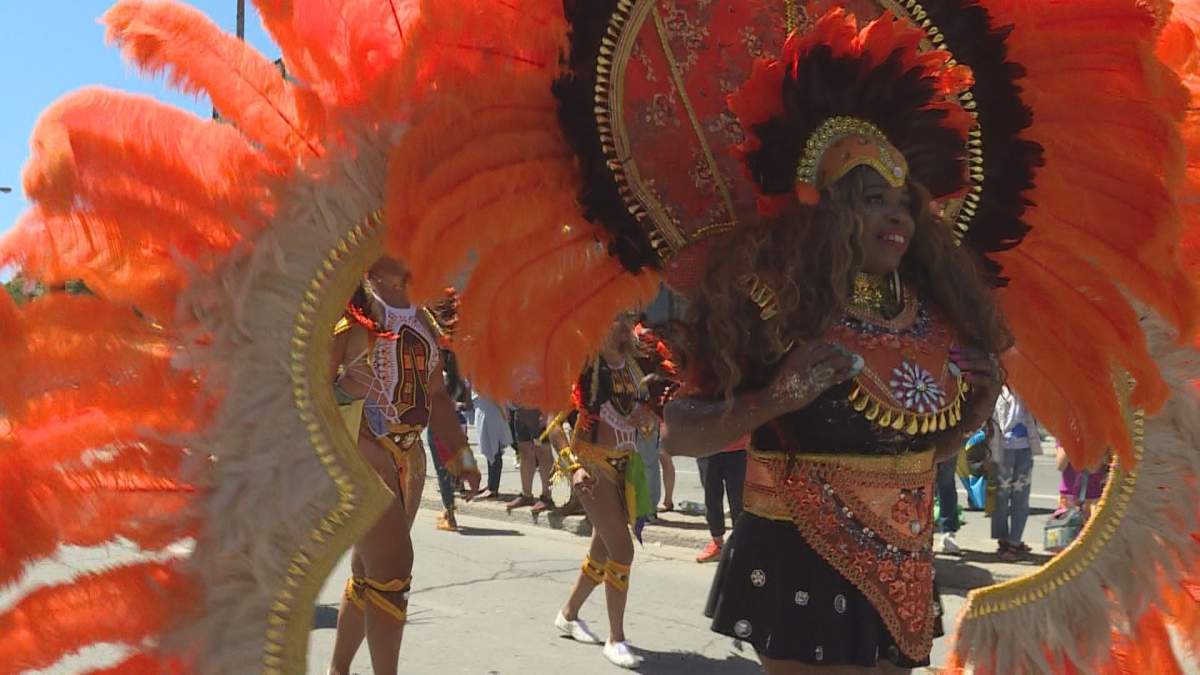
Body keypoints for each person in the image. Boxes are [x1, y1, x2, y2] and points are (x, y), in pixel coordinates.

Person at [658, 13, 1012, 670]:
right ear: (829, 206)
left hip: (905, 562)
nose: (897, 218)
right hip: (800, 558)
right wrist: (776, 397)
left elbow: (922, 453)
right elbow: (678, 431)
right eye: (873, 199)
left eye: (905, 203)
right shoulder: (768, 302)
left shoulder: (933, 315)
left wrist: (976, 408)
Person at [328, 257, 474, 675]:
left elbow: (438, 396)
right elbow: (316, 381)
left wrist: (461, 455)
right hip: (360, 446)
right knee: (394, 568)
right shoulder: (352, 300)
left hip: (408, 459)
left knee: (370, 570)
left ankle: (336, 671)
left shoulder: (423, 313)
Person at [550, 315, 656, 670]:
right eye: (617, 319)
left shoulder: (634, 367)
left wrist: (647, 419)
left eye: (628, 319)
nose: (626, 327)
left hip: (626, 467)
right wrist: (572, 467)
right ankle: (616, 638)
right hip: (593, 468)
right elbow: (553, 424)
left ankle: (568, 614)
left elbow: (641, 410)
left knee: (602, 551)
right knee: (622, 549)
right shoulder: (585, 368)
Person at [989, 386, 1043, 561]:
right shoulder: (998, 391)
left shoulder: (1029, 390)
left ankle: (1014, 542)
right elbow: (992, 422)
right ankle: (1004, 539)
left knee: (1021, 498)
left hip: (1024, 450)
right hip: (1002, 450)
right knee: (1000, 497)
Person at [695, 437, 748, 563]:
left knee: (739, 500)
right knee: (711, 499)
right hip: (707, 448)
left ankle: (740, 545)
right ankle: (717, 544)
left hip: (738, 448)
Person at [507, 405, 556, 513]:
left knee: (543, 451)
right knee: (524, 450)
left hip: (540, 408)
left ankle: (546, 497)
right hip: (520, 408)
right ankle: (526, 495)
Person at [471, 394, 511, 501]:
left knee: (494, 450)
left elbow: (496, 393)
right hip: (485, 409)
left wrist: (503, 411)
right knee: (489, 449)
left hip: (492, 411)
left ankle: (493, 488)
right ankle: (490, 484)